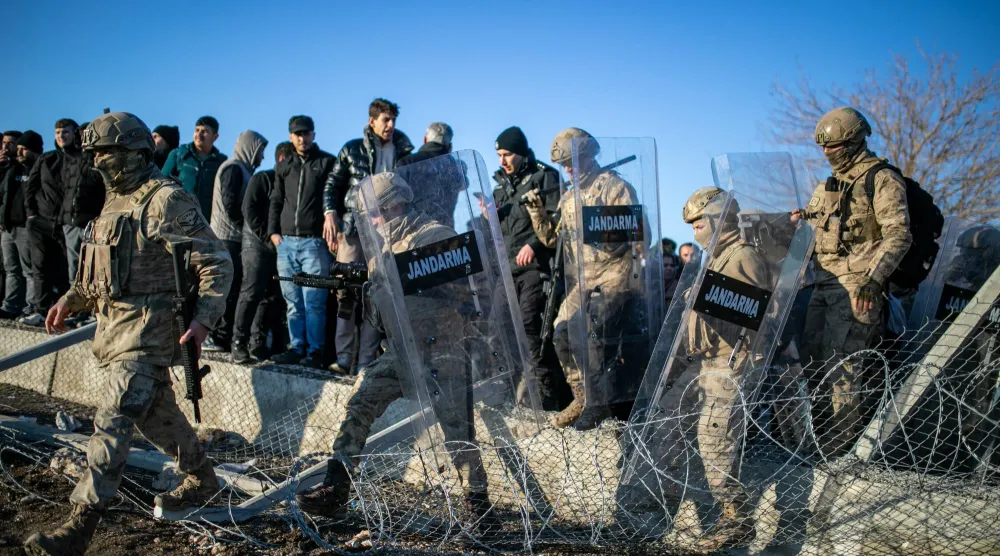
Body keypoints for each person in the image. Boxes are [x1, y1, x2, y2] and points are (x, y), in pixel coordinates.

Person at [23, 111, 233, 555]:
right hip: (115, 334)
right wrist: (69, 300)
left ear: (133, 153)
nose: (97, 161)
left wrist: (202, 322)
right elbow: (96, 274)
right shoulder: (114, 201)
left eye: (105, 153)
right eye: (94, 153)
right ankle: (204, 479)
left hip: (150, 335)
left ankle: (80, 526)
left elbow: (216, 263)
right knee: (160, 419)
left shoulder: (165, 200)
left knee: (113, 419)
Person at [295, 172, 495, 537]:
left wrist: (459, 315)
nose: (370, 221)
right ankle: (336, 485)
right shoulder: (384, 247)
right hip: (402, 351)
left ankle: (480, 512)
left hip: (443, 350)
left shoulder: (436, 236)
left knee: (458, 432)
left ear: (393, 205)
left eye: (374, 213)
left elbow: (478, 288)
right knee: (361, 403)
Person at [644, 187, 771, 551]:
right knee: (667, 420)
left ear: (717, 220)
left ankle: (737, 518)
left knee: (714, 439)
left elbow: (752, 315)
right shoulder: (713, 259)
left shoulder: (742, 256)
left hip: (729, 361)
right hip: (701, 361)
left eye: (699, 223)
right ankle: (670, 495)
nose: (695, 232)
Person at [798, 106, 912, 457]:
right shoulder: (829, 184)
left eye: (833, 146)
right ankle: (815, 442)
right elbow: (816, 230)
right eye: (824, 148)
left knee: (843, 373)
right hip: (822, 284)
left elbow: (899, 235)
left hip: (857, 288)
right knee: (812, 366)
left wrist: (873, 279)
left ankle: (839, 453)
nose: (827, 153)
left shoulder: (881, 178)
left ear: (855, 141)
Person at [521, 128, 644, 430]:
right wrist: (537, 212)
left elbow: (640, 237)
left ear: (589, 156)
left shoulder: (616, 188)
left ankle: (599, 404)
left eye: (572, 163)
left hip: (615, 276)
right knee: (561, 332)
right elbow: (552, 240)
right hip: (584, 281)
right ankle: (583, 396)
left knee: (595, 337)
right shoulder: (568, 197)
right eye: (564, 165)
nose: (567, 170)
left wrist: (635, 280)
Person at [323, 98, 413, 374]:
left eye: (393, 120)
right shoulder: (351, 149)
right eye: (385, 120)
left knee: (379, 293)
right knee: (346, 291)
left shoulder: (403, 151)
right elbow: (333, 184)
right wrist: (329, 213)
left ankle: (365, 364)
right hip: (353, 227)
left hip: (387, 231)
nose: (391, 125)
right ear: (371, 121)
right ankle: (343, 359)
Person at [489, 126, 565, 410]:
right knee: (498, 328)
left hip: (536, 267)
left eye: (507, 154)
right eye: (498, 155)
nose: (502, 161)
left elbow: (557, 222)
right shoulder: (498, 189)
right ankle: (505, 395)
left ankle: (545, 400)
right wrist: (489, 218)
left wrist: (534, 244)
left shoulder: (545, 177)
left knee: (530, 328)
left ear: (520, 152)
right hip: (505, 269)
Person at [268, 115, 336, 368]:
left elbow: (335, 197)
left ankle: (316, 352)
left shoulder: (327, 162)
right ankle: (297, 348)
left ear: (313, 135)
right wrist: (273, 234)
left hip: (314, 244)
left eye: (306, 133)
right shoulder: (284, 167)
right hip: (285, 244)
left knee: (314, 302)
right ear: (290, 137)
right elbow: (275, 200)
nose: (302, 137)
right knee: (293, 302)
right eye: (297, 134)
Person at [232, 141, 294, 363]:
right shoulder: (263, 179)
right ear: (281, 159)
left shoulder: (289, 183)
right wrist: (267, 236)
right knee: (251, 291)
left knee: (273, 296)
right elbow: (248, 209)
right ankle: (238, 342)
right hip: (255, 242)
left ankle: (260, 343)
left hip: (278, 245)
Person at [207, 130, 268, 352]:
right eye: (260, 151)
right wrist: (247, 227)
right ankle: (216, 336)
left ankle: (222, 336)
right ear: (250, 148)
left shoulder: (244, 171)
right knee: (227, 288)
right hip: (226, 238)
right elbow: (231, 204)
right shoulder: (233, 169)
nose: (262, 157)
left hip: (235, 237)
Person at [56, 121, 105, 318]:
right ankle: (76, 310)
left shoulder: (101, 161)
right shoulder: (73, 159)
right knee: (74, 270)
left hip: (92, 223)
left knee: (93, 269)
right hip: (71, 222)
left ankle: (93, 312)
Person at [162, 116, 226, 219]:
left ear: (215, 137)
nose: (199, 135)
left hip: (206, 222)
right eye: (197, 130)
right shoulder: (178, 155)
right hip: (178, 218)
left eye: (204, 131)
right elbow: (162, 183)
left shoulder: (221, 162)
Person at [0, 130, 29, 319]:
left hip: (24, 226)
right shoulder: (5, 169)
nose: (6, 147)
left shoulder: (25, 168)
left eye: (11, 144)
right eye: (4, 143)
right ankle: (8, 304)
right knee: (9, 268)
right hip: (6, 226)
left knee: (26, 270)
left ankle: (25, 306)